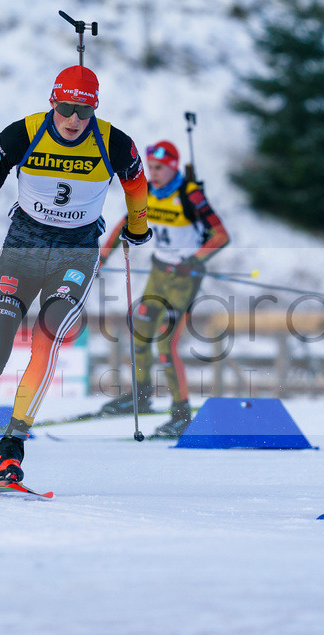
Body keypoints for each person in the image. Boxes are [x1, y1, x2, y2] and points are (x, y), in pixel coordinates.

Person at [0, 65, 151, 491]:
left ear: (95, 109)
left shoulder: (114, 142)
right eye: (66, 108)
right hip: (22, 250)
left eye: (84, 111)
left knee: (48, 334)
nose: (74, 119)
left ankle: (11, 449)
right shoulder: (24, 133)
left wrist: (137, 224)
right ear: (52, 101)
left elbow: (135, 181)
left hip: (74, 253)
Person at [97, 140, 230, 437]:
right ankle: (142, 396)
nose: (153, 173)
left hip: (184, 277)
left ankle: (181, 413)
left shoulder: (190, 195)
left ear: (173, 168)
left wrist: (194, 259)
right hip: (159, 271)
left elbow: (220, 235)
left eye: (160, 168)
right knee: (140, 333)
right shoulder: (145, 191)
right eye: (150, 167)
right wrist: (104, 255)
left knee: (165, 345)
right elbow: (124, 224)